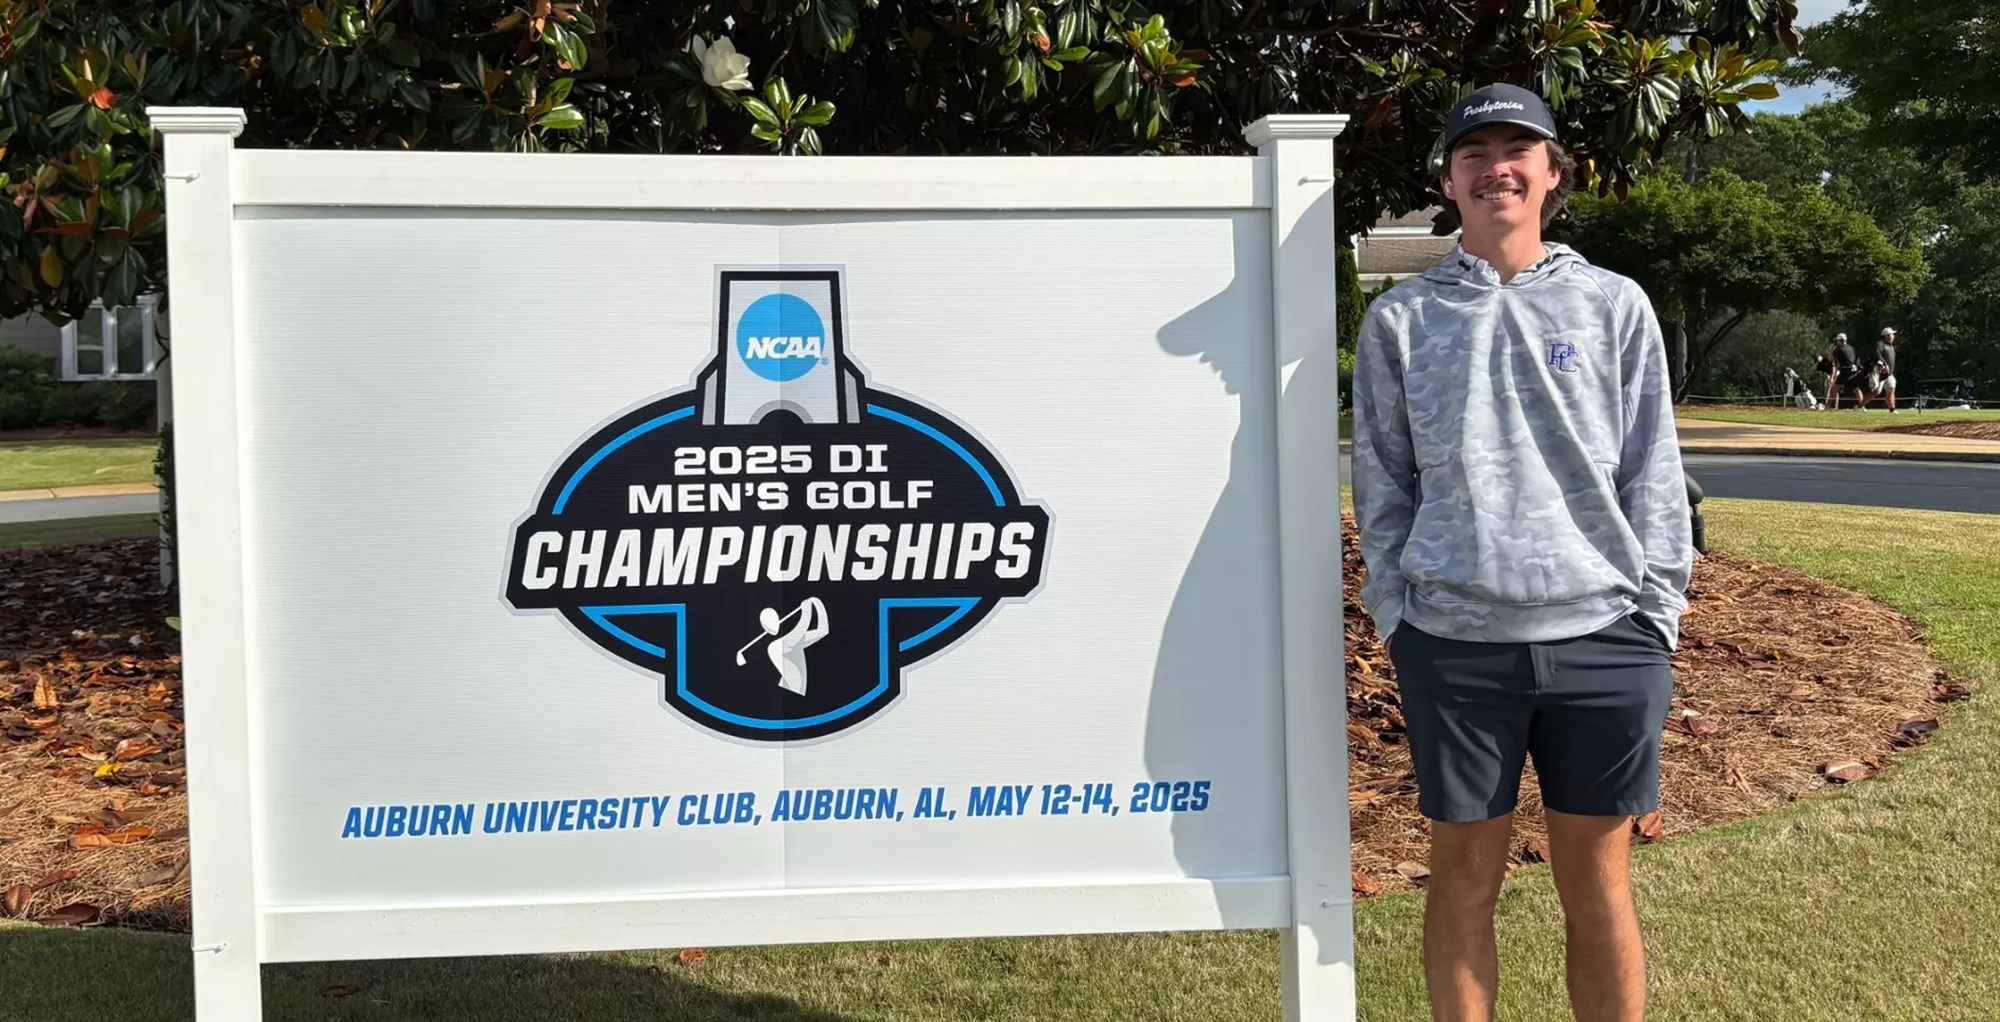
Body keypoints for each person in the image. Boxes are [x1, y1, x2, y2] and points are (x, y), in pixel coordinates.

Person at [1349, 82, 1694, 1022]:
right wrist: (1398, 616)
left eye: (1516, 150)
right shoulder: (1403, 319)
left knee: (1599, 886)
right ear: (1450, 181)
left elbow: (1652, 471)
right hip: (1455, 645)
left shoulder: (1614, 305)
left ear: (1550, 174)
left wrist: (1656, 614)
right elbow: (1382, 480)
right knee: (1461, 884)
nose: (1494, 167)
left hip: (1603, 637)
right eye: (1474, 153)